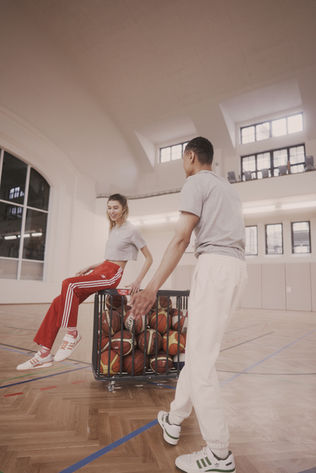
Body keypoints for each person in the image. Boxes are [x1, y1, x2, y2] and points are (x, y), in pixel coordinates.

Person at [131, 137, 247, 473]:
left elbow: (182, 238)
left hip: (215, 269)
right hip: (237, 270)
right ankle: (175, 418)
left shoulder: (195, 181)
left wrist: (152, 287)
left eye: (183, 159)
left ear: (191, 156)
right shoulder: (228, 189)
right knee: (198, 353)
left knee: (201, 363)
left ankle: (219, 454)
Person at [17, 193, 153, 371]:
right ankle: (43, 353)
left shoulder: (132, 230)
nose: (112, 211)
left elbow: (149, 258)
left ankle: (72, 334)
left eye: (116, 207)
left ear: (124, 209)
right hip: (102, 269)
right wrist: (91, 266)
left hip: (112, 274)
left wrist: (137, 280)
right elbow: (110, 258)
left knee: (69, 283)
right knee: (58, 302)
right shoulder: (113, 229)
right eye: (109, 207)